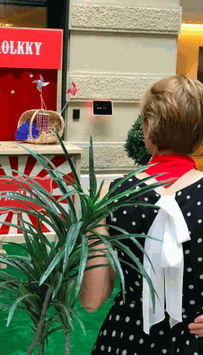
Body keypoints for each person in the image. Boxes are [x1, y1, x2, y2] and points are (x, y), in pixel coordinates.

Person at [79, 74, 203, 354]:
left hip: (125, 338)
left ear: (147, 128)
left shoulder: (109, 195)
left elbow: (91, 300)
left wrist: (90, 228)